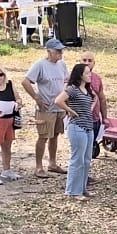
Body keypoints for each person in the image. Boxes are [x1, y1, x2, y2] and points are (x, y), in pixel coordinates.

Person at [22, 37, 69, 176]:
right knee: (43, 136)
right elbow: (25, 81)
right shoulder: (40, 65)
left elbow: (66, 80)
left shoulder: (62, 65)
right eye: (58, 51)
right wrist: (36, 97)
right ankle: (38, 166)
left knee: (55, 135)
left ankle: (52, 163)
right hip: (46, 107)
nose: (60, 54)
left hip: (59, 106)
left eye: (61, 51)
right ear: (49, 52)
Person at [64, 60, 100, 199]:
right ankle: (73, 190)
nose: (90, 75)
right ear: (79, 75)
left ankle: (82, 188)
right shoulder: (72, 89)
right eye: (87, 73)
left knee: (86, 159)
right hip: (77, 126)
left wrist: (89, 109)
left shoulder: (88, 90)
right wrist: (70, 110)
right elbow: (58, 100)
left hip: (88, 127)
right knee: (77, 159)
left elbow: (95, 98)